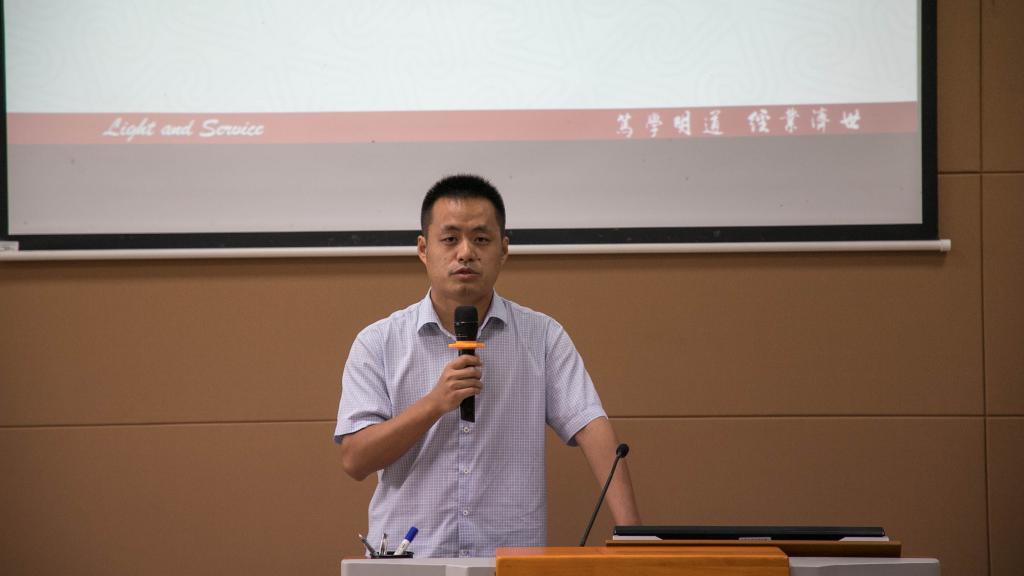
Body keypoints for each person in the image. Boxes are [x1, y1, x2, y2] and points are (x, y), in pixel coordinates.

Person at [334, 174, 640, 558]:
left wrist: (635, 540)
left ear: (504, 250)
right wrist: (434, 404)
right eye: (450, 239)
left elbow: (593, 429)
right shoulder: (378, 342)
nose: (465, 253)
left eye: (481, 239)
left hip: (508, 562)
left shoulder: (542, 337)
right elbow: (355, 459)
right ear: (423, 249)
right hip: (410, 561)